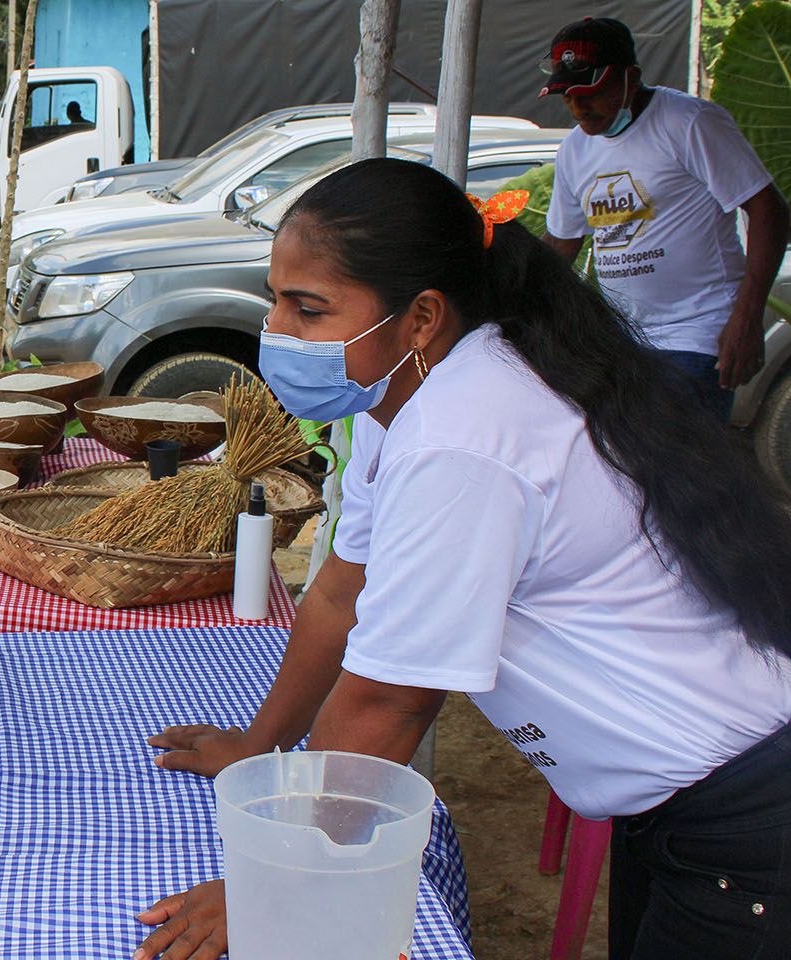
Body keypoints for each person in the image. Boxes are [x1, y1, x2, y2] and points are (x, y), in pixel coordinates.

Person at [135, 158, 791, 960]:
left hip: (749, 814)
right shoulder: (398, 402)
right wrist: (261, 745)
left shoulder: (463, 435)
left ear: (421, 316)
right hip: (690, 804)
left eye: (308, 310)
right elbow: (341, 595)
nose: (276, 332)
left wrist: (278, 883)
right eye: (275, 300)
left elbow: (389, 701)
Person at [539, 16, 789, 420]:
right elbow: (561, 243)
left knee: (676, 466)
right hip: (626, 339)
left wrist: (747, 317)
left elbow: (768, 210)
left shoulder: (689, 123)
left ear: (631, 78)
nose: (578, 107)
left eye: (591, 92)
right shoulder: (574, 151)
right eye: (567, 95)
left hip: (697, 333)